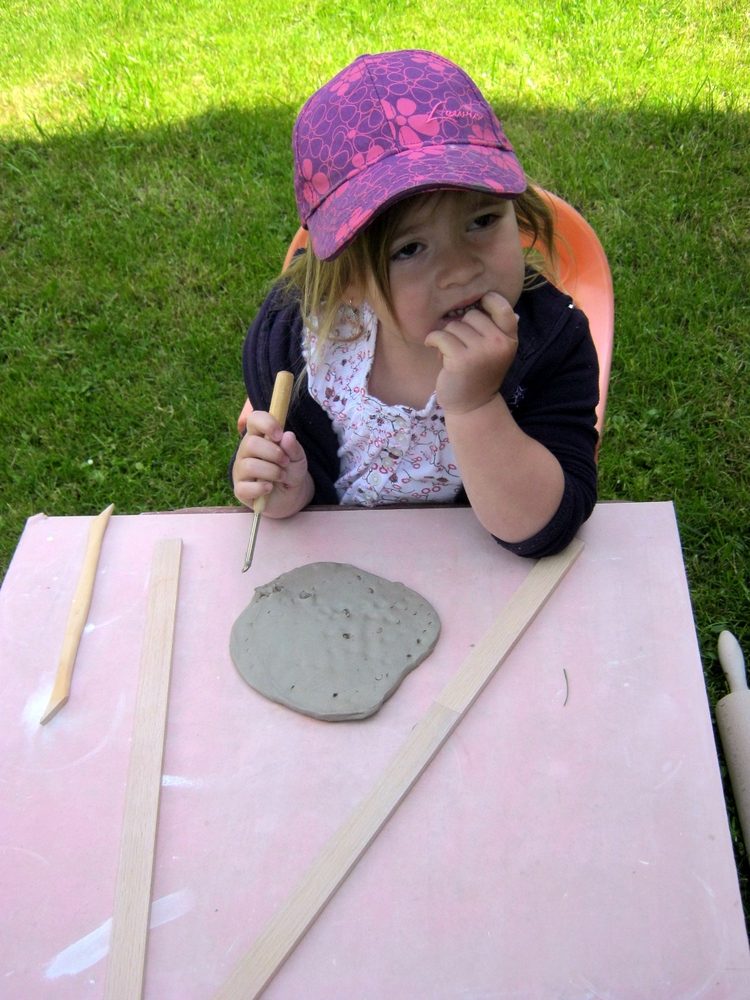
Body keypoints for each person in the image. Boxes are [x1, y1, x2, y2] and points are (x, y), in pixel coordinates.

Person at [232, 49, 599, 558]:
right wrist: (288, 488)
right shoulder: (309, 348)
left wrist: (476, 405)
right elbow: (303, 480)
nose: (460, 270)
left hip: (477, 583)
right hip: (344, 581)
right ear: (350, 279)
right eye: (409, 249)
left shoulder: (550, 345)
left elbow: (543, 528)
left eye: (482, 221)